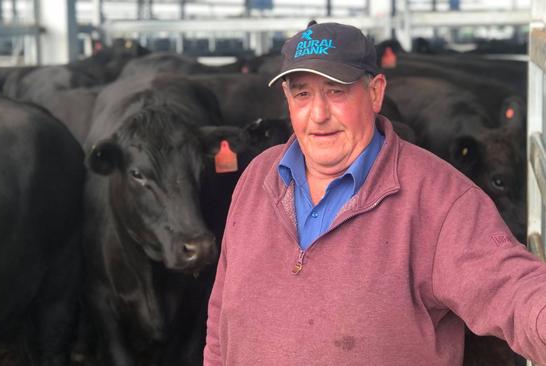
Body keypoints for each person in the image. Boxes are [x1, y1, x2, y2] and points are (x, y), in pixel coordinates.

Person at [203, 21, 546, 365]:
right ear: (287, 100)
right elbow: (221, 319)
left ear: (375, 93)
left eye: (336, 91)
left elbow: (513, 288)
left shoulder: (441, 198)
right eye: (302, 93)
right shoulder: (256, 178)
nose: (318, 115)